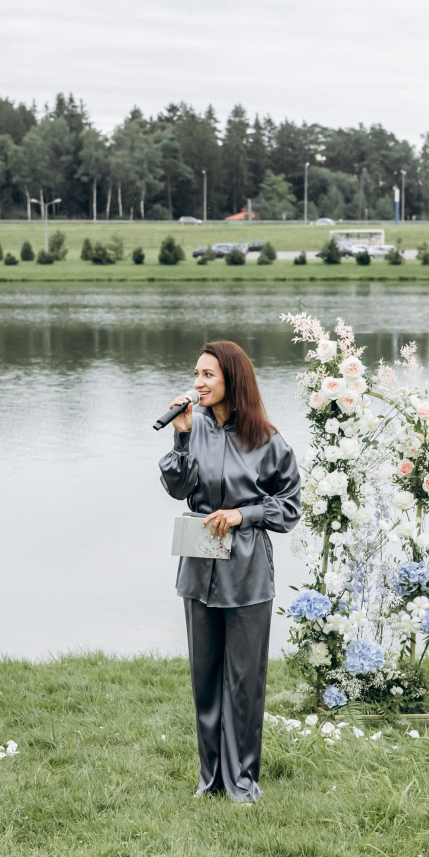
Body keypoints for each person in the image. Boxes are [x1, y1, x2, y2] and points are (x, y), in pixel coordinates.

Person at [159, 340, 301, 803]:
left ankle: (242, 781)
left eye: (207, 375)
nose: (197, 383)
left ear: (231, 381)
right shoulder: (192, 427)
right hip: (199, 567)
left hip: (247, 572)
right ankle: (211, 779)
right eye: (196, 373)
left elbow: (289, 507)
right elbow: (177, 488)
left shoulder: (268, 440)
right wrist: (180, 435)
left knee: (243, 681)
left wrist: (245, 515)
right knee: (204, 677)